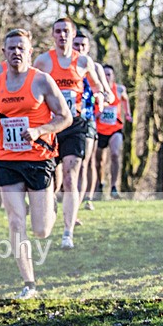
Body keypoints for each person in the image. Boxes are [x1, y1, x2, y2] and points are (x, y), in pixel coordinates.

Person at [0, 29, 72, 298]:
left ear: (30, 51)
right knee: (15, 222)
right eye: (11, 48)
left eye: (21, 47)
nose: (16, 52)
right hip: (8, 159)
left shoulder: (42, 81)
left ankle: (51, 205)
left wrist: (39, 130)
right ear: (4, 52)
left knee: (42, 230)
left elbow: (66, 117)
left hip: (39, 158)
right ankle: (29, 283)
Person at [34, 17, 105, 249]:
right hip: (51, 124)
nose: (62, 35)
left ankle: (68, 232)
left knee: (71, 174)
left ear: (73, 35)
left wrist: (100, 97)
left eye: (66, 31)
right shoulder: (43, 61)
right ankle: (52, 204)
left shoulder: (83, 61)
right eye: (58, 31)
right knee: (52, 177)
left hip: (76, 123)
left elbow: (96, 86)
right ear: (53, 35)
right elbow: (31, 86)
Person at [72, 32, 113, 211]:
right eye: (76, 45)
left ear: (88, 48)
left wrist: (102, 98)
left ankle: (84, 200)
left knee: (84, 161)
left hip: (87, 120)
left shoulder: (94, 67)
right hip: (63, 121)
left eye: (83, 45)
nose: (79, 48)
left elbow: (108, 93)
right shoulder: (63, 66)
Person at [95, 64, 132, 200]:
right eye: (104, 74)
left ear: (113, 76)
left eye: (109, 74)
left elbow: (125, 99)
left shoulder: (119, 90)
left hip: (115, 129)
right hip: (99, 130)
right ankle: (100, 183)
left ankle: (114, 187)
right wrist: (96, 113)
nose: (106, 76)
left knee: (115, 154)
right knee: (99, 160)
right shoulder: (97, 90)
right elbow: (90, 103)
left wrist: (127, 114)